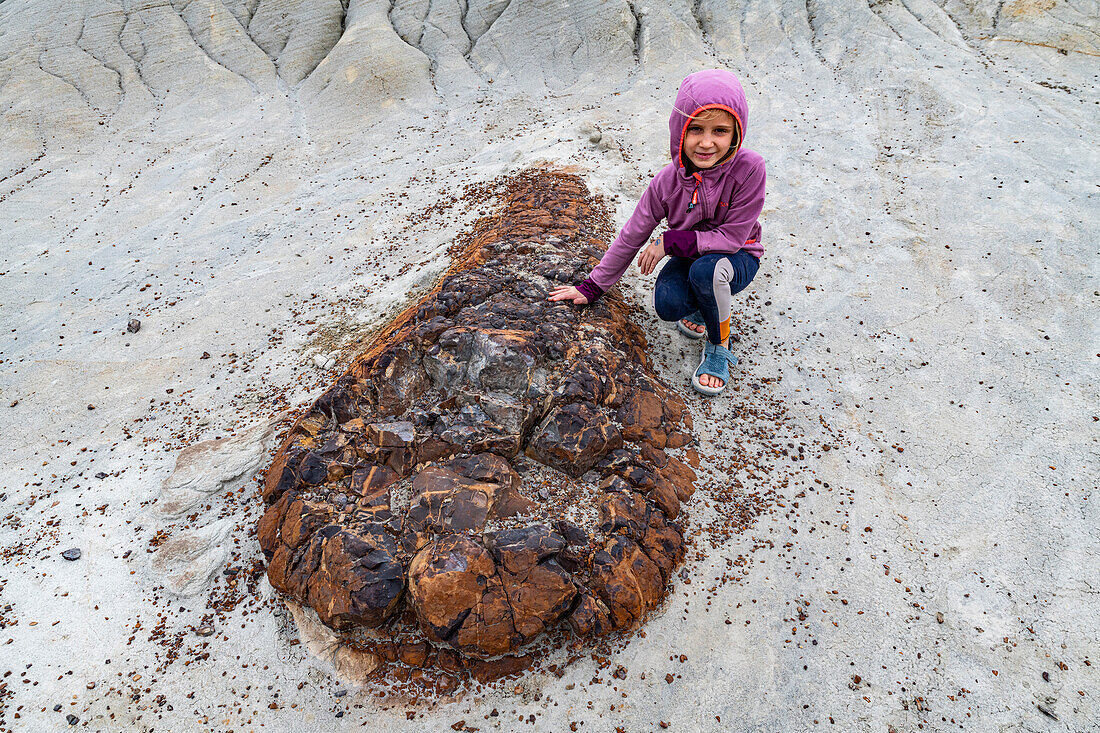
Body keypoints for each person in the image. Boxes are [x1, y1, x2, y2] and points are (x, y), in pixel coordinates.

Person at [548, 69, 765, 397]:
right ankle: (702, 310)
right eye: (695, 129)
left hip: (738, 257)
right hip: (693, 254)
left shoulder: (750, 169)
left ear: (737, 132)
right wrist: (592, 287)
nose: (707, 142)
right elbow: (631, 235)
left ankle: (718, 346)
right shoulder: (666, 183)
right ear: (680, 130)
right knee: (667, 304)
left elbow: (732, 238)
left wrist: (670, 242)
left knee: (709, 272)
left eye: (720, 130)